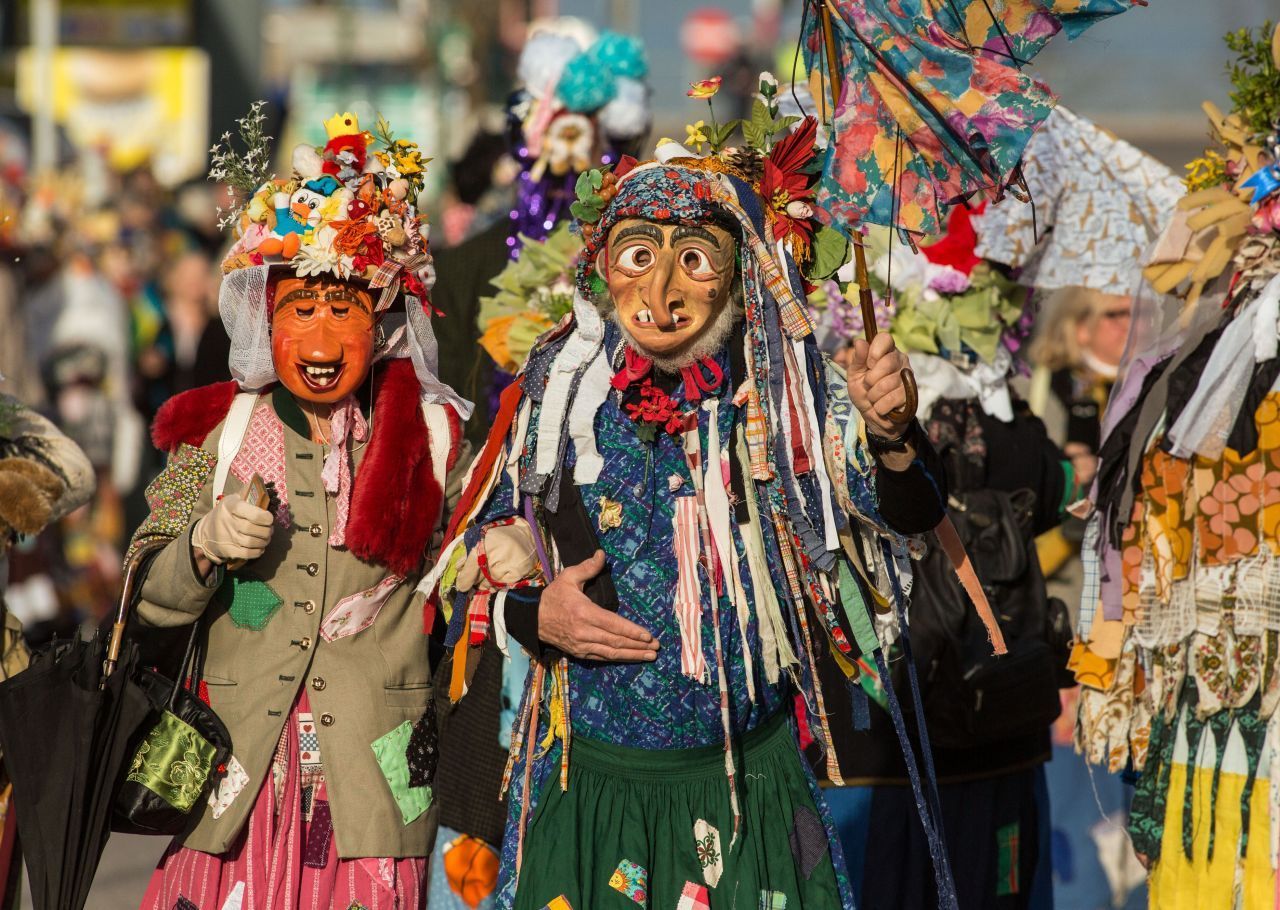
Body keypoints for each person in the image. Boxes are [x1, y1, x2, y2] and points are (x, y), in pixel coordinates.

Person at [426, 107, 951, 909]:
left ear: (741, 275)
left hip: (748, 793)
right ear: (603, 266)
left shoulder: (784, 397)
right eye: (639, 256)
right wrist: (538, 616)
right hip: (590, 787)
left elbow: (905, 514)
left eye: (696, 260)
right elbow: (472, 563)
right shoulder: (560, 394)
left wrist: (892, 434)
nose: (664, 293)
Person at [129, 107, 467, 909]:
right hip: (225, 782)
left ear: (381, 323)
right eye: (300, 309)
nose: (320, 336)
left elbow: (471, 570)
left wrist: (504, 551)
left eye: (343, 308)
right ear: (266, 319)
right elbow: (142, 577)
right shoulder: (211, 431)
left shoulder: (434, 436)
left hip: (373, 790)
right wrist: (204, 545)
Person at [813, 208, 1094, 910]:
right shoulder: (1011, 420)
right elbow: (1057, 490)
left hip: (887, 732)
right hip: (1000, 709)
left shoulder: (855, 422)